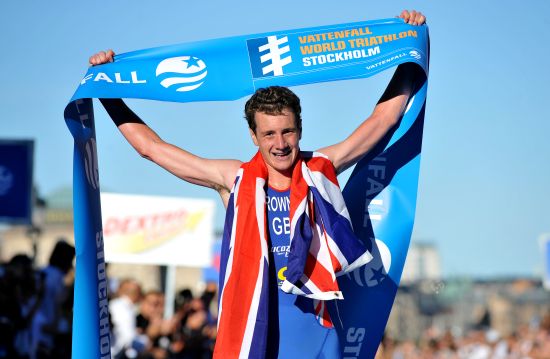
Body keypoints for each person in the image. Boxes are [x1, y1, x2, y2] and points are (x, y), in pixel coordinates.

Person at [90, 9, 426, 358]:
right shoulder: (233, 179)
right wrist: (107, 90)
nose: (279, 143)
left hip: (319, 337)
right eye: (268, 134)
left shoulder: (321, 168)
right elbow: (152, 149)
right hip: (254, 338)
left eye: (287, 132)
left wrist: (408, 50)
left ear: (300, 130)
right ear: (253, 136)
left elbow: (383, 119)